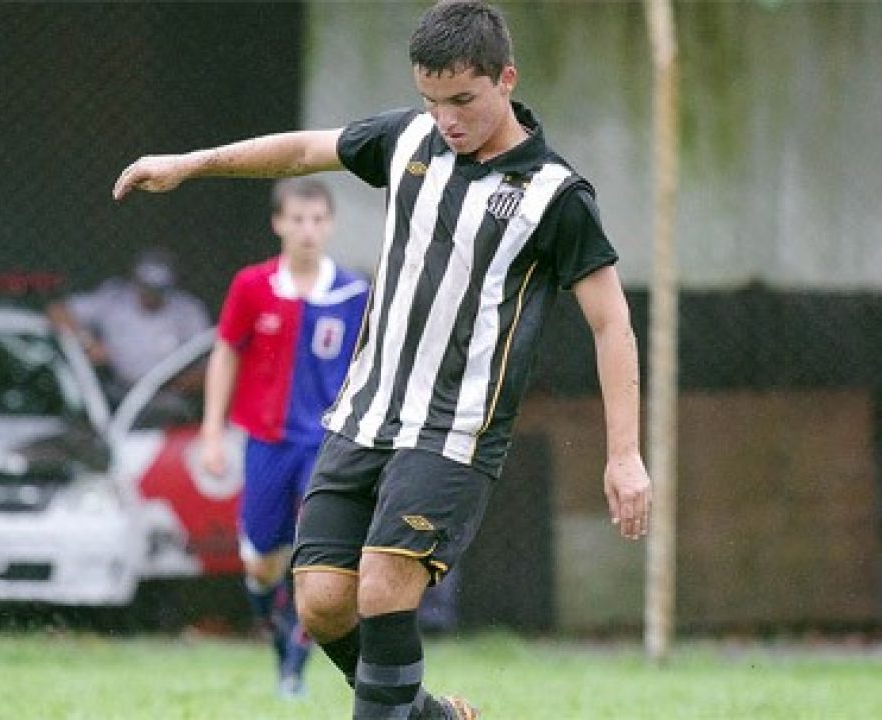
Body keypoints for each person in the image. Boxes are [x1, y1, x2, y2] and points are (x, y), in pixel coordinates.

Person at [113, 2, 652, 717]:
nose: (447, 118)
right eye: (433, 101)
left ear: (505, 79)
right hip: (363, 415)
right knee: (324, 604)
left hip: (452, 433)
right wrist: (191, 164)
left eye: (463, 99)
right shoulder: (409, 140)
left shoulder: (555, 196)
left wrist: (624, 455)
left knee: (381, 588)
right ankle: (434, 716)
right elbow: (306, 151)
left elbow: (611, 322)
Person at [200, 178, 368, 698]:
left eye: (318, 219)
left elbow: (368, 365)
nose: (308, 230)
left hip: (327, 445)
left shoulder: (353, 292)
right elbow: (226, 351)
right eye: (297, 219)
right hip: (267, 442)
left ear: (331, 224)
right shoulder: (253, 286)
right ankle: (279, 651)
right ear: (278, 223)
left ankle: (296, 667)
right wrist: (212, 431)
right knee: (262, 561)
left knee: (317, 562)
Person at [48, 247, 211, 402]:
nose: (151, 296)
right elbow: (58, 311)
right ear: (136, 281)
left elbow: (209, 366)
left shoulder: (189, 311)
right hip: (114, 393)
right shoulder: (114, 298)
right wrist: (87, 342)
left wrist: (176, 384)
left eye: (158, 290)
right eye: (146, 288)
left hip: (168, 398)